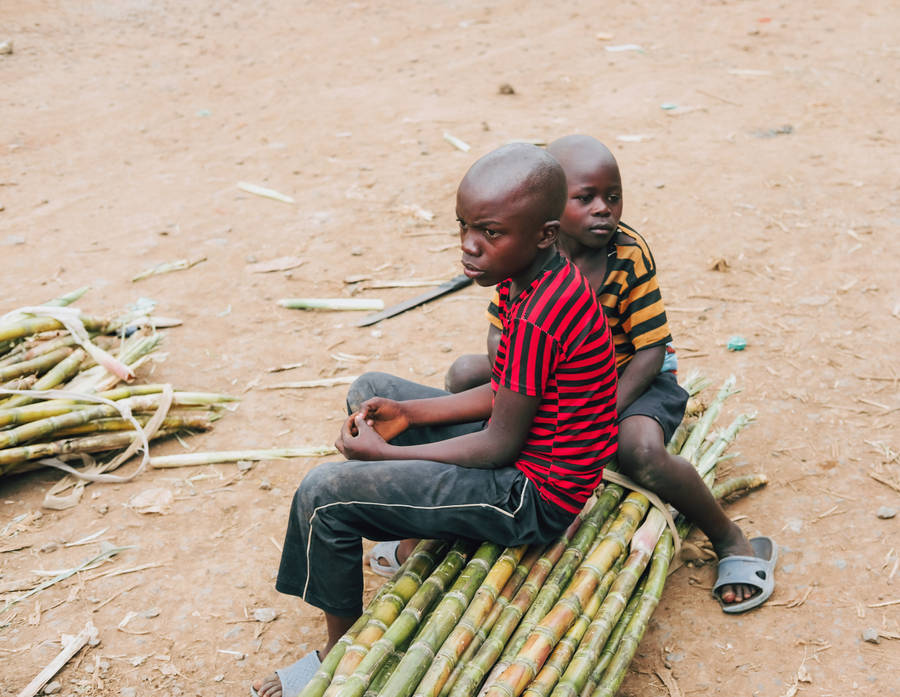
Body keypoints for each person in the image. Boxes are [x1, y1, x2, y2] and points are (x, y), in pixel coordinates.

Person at [252, 143, 619, 697]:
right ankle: (408, 533)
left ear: (545, 234)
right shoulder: (533, 280)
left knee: (323, 493)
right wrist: (409, 412)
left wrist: (389, 454)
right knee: (371, 390)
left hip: (532, 496)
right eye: (464, 226)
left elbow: (498, 444)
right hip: (523, 452)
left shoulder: (541, 312)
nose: (469, 245)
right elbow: (505, 391)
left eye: (490, 232)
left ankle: (338, 657)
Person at [440, 135, 775, 613]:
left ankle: (728, 537)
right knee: (463, 374)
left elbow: (652, 349)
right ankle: (454, 494)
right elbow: (500, 336)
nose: (604, 209)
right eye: (586, 198)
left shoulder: (627, 254)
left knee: (639, 450)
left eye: (612, 197)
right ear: (548, 214)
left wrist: (601, 412)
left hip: (633, 376)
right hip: (554, 375)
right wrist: (518, 390)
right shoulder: (523, 253)